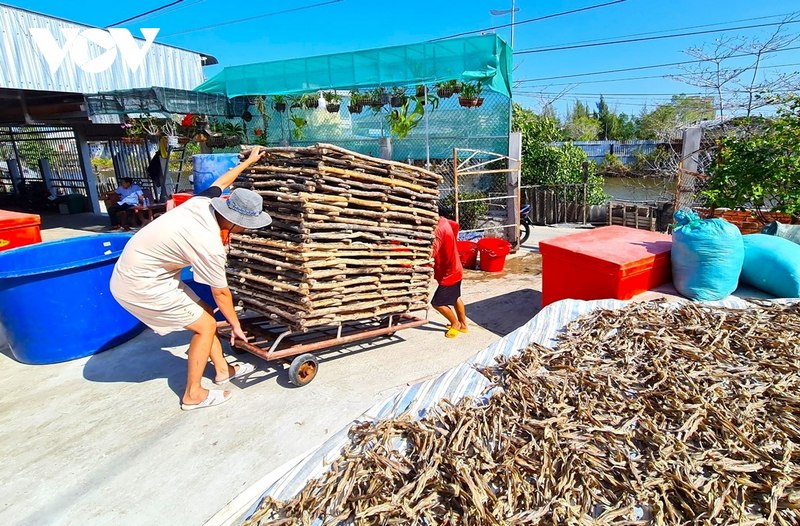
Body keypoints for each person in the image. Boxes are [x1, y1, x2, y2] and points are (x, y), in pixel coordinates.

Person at [110, 147, 271, 411]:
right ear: (235, 221)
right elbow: (221, 293)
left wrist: (249, 162)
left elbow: (221, 182)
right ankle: (193, 395)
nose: (246, 230)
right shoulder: (208, 243)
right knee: (206, 326)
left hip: (148, 272)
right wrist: (236, 326)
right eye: (246, 225)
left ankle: (222, 370)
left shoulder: (203, 203)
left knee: (205, 312)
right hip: (141, 283)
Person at [431, 214, 468, 338]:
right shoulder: (444, 221)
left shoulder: (438, 231)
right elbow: (456, 226)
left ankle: (455, 323)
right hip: (456, 268)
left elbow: (431, 253)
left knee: (437, 303)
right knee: (456, 297)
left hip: (450, 274)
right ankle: (463, 325)